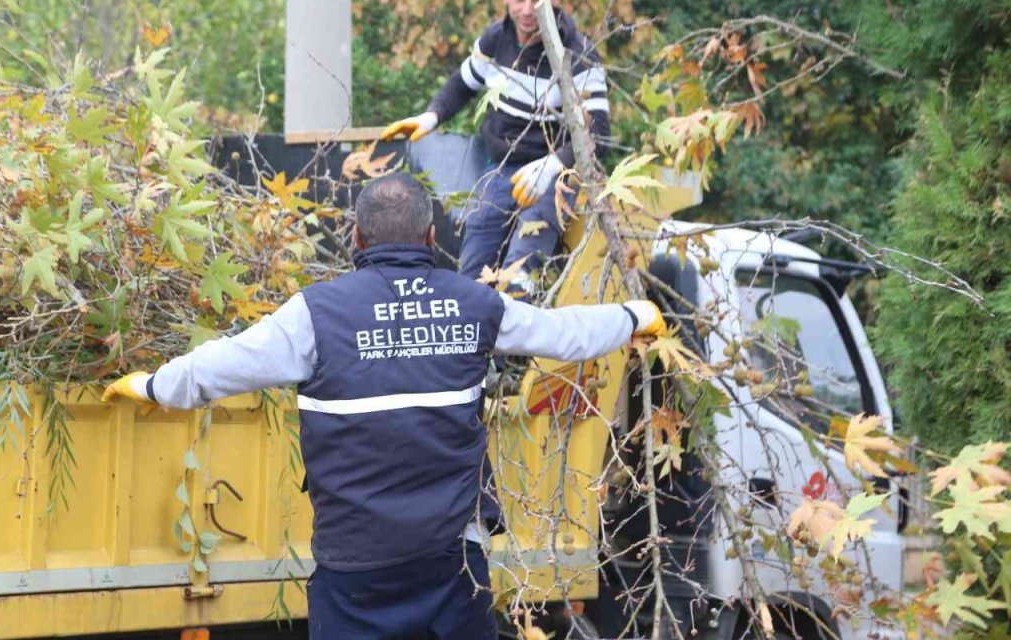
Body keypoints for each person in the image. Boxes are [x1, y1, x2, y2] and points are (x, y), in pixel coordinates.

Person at [102, 173, 662, 639]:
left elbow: (221, 366)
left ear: (356, 237)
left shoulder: (317, 315)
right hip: (450, 567)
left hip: (356, 574)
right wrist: (636, 316)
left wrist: (153, 386)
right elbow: (566, 334)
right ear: (430, 235)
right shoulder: (473, 304)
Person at [380, 0, 611, 293]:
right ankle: (474, 332)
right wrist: (431, 116)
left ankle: (516, 329)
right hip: (501, 170)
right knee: (473, 266)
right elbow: (462, 83)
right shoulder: (496, 39)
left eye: (536, 1)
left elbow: (598, 134)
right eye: (519, 0)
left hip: (553, 175)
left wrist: (553, 164)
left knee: (521, 269)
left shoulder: (579, 55)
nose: (527, 10)